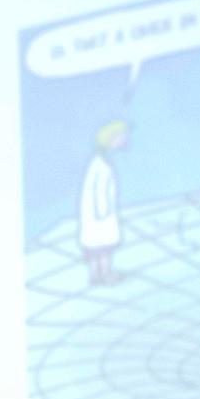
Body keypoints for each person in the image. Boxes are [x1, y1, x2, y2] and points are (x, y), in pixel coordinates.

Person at [77, 120, 129, 285]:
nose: (124, 139)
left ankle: (98, 274)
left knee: (98, 248)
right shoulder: (101, 165)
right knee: (102, 247)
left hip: (98, 217)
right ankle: (103, 274)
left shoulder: (100, 163)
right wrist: (103, 213)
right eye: (120, 136)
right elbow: (99, 192)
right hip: (100, 217)